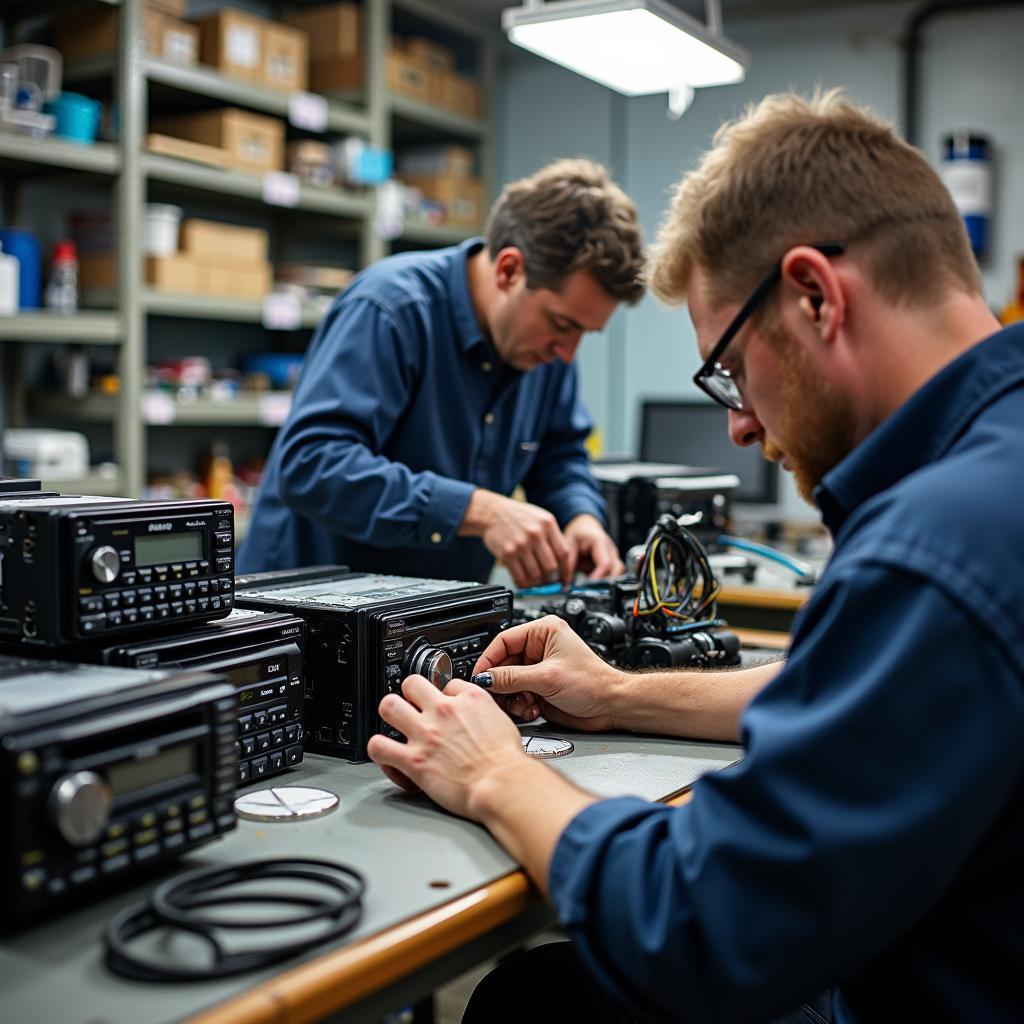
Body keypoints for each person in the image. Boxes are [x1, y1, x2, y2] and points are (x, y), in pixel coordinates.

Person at [367, 89, 1024, 1022]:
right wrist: (619, 694)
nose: (740, 420)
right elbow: (853, 688)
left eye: (730, 367)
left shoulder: (934, 546)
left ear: (815, 295)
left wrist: (497, 775)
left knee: (534, 1005)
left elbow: (703, 924)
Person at [237, 159, 644, 588]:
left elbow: (558, 455)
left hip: (426, 621)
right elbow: (311, 464)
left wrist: (580, 516)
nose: (568, 351)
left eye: (585, 331)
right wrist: (480, 511)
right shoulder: (391, 311)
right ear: (509, 270)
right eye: (563, 324)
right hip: (306, 612)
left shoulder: (546, 350)